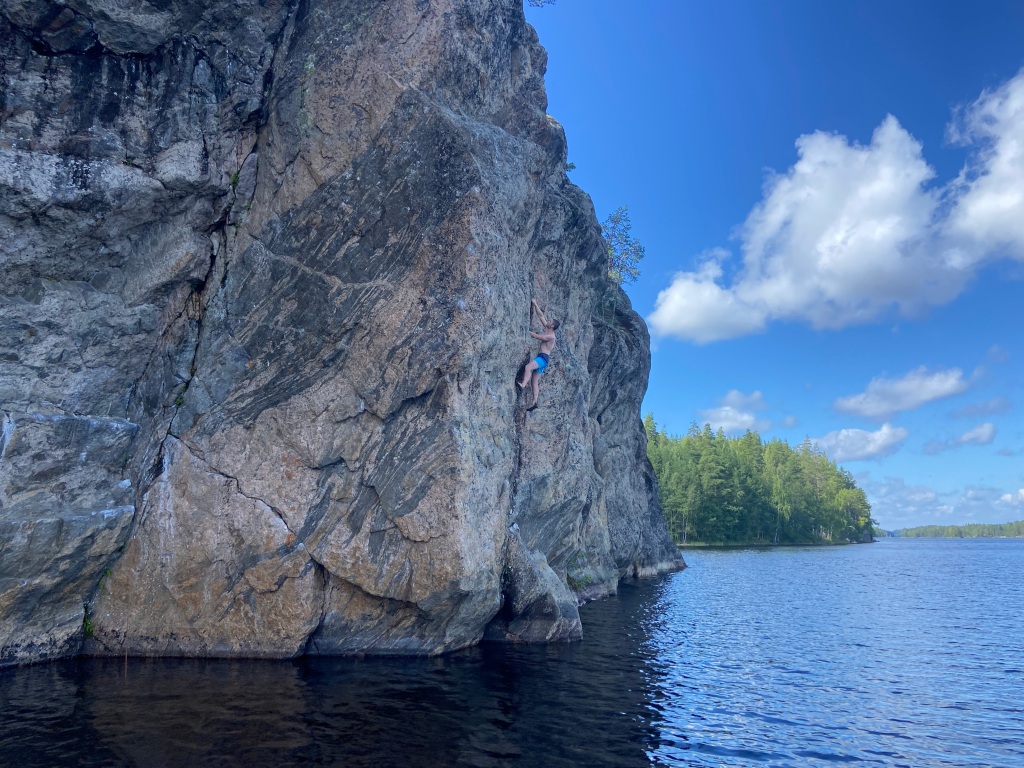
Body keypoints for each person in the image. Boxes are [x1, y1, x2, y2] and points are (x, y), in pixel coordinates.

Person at [518, 299, 559, 410]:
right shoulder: (549, 330)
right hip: (544, 360)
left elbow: (538, 337)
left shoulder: (551, 336)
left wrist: (526, 331)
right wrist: (535, 303)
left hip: (543, 358)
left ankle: (522, 385)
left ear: (552, 326)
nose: (548, 321)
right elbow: (541, 316)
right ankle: (535, 403)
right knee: (535, 381)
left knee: (528, 367)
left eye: (550, 321)